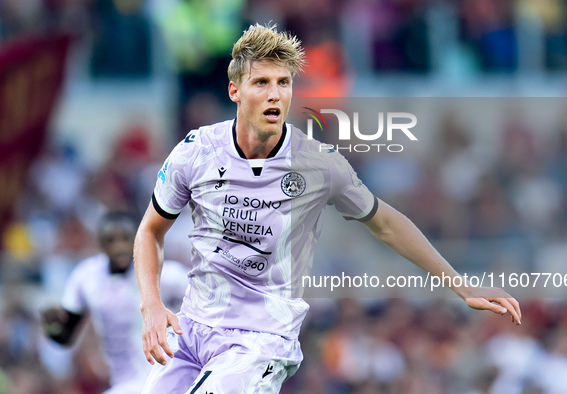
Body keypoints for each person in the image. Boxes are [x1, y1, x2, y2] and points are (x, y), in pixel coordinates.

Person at [134, 23, 522, 394]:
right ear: (235, 90)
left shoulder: (318, 163)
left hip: (260, 341)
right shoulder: (196, 150)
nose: (275, 94)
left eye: (283, 83)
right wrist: (151, 303)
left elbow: (385, 223)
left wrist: (461, 283)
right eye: (262, 83)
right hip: (191, 330)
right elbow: (150, 230)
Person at [42, 211, 187, 394]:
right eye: (111, 240)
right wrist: (52, 327)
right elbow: (64, 336)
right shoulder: (86, 277)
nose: (119, 247)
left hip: (164, 377)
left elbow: (204, 299)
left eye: (125, 238)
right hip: (124, 383)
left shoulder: (162, 272)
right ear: (100, 243)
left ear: (138, 238)